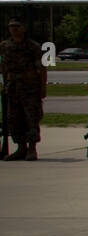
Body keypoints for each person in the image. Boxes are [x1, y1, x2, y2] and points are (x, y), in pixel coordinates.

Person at [1, 17, 46, 160]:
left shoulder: (33, 47)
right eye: (11, 26)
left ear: (24, 28)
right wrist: (5, 83)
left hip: (30, 87)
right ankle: (20, 147)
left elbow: (41, 69)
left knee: (31, 117)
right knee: (13, 118)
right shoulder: (5, 46)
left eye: (17, 26)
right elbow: (3, 67)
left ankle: (32, 148)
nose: (14, 29)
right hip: (12, 87)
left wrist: (42, 87)